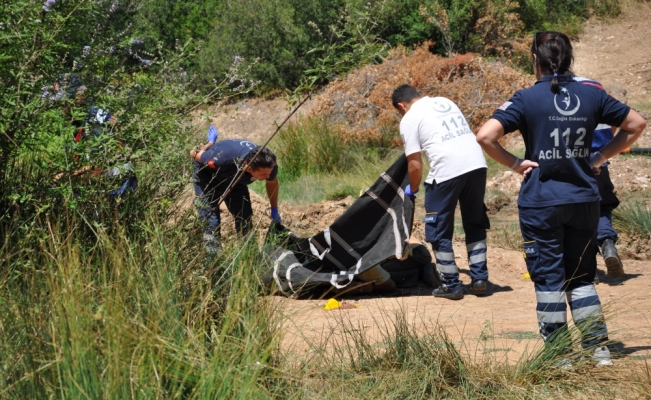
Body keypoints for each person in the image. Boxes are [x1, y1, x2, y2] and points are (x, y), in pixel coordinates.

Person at [476, 31, 646, 366]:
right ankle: (598, 351)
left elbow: (485, 135)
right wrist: (597, 159)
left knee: (550, 279)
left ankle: (559, 357)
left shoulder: (525, 98)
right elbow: (636, 123)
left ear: (535, 59)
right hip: (584, 199)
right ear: (569, 60)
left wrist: (514, 164)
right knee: (582, 277)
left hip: (542, 203)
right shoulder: (591, 94)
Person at [391, 84, 490, 300]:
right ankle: (480, 279)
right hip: (477, 166)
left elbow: (415, 165)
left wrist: (413, 189)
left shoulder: (409, 119)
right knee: (474, 222)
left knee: (438, 229)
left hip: (447, 172)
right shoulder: (445, 102)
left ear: (401, 106)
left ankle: (451, 285)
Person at [190, 139, 281, 254]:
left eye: (269, 173)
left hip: (235, 179)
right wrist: (210, 143)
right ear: (249, 168)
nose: (268, 176)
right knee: (211, 220)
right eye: (263, 175)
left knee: (244, 216)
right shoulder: (221, 158)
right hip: (208, 176)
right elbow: (194, 154)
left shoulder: (268, 165)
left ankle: (248, 256)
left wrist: (274, 209)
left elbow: (272, 182)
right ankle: (214, 262)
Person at [574, 77, 625, 279]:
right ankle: (608, 244)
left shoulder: (571, 98)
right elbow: (617, 125)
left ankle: (588, 267)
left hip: (576, 165)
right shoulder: (602, 96)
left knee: (578, 214)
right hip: (600, 163)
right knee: (602, 206)